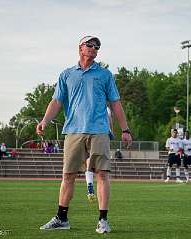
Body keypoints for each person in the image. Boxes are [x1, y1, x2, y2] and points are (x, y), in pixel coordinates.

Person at [37, 35, 132, 233]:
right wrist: (45, 120)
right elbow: (56, 101)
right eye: (90, 45)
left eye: (97, 46)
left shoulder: (105, 74)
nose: (94, 48)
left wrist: (125, 129)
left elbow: (115, 103)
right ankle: (62, 219)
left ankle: (103, 221)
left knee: (102, 175)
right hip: (73, 131)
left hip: (99, 131)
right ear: (80, 48)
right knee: (68, 175)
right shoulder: (67, 74)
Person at [85, 106, 113, 203]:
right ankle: (90, 184)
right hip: (101, 135)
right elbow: (110, 123)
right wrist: (110, 136)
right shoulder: (106, 108)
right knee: (101, 171)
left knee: (89, 159)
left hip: (87, 133)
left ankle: (89, 183)